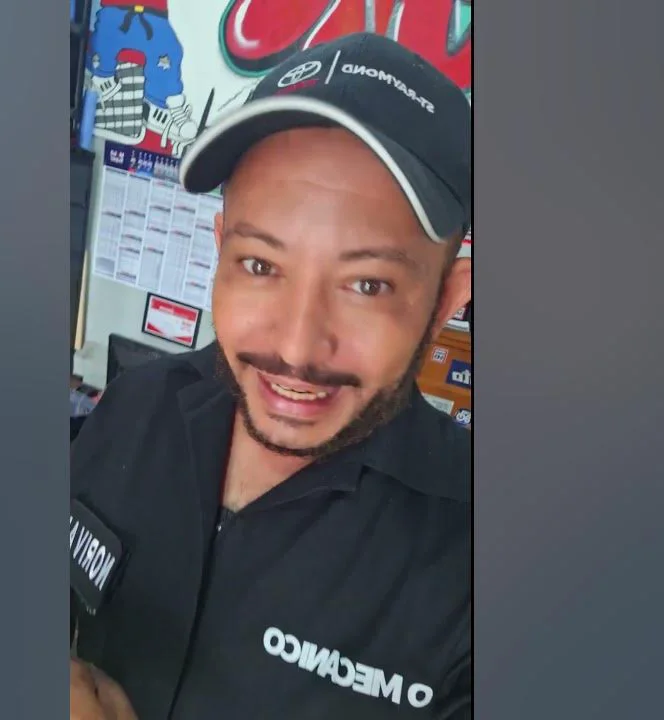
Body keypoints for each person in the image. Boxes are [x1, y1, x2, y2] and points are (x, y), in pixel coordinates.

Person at [70, 32, 473, 719]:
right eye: (260, 265)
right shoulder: (137, 406)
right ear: (220, 251)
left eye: (367, 285)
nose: (295, 345)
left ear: (446, 300)